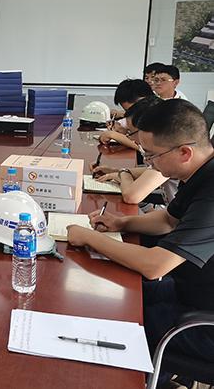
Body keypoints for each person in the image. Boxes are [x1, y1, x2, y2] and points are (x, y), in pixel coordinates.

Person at [67, 99, 214, 383]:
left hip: (203, 323)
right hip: (190, 291)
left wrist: (88, 237)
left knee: (117, 318)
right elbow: (168, 220)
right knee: (110, 295)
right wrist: (121, 223)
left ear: (184, 152)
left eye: (152, 155)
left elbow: (155, 266)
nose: (148, 163)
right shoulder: (200, 171)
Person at [92, 97, 177, 205]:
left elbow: (131, 197)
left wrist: (123, 173)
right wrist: (117, 171)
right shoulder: (161, 151)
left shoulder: (166, 155)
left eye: (130, 132)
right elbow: (151, 171)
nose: (130, 138)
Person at [99, 79, 153, 149]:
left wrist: (113, 135)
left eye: (132, 111)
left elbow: (146, 148)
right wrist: (125, 132)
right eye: (127, 112)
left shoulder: (161, 116)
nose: (130, 116)